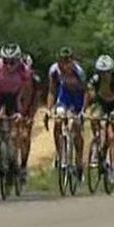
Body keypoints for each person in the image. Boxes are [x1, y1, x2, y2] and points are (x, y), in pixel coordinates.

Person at [45, 46, 87, 178]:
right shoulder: (54, 70)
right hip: (64, 97)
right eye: (62, 61)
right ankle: (60, 155)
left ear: (72, 61)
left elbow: (86, 92)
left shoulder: (79, 72)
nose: (65, 64)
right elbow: (52, 91)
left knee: (76, 127)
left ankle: (79, 162)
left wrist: (83, 111)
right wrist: (49, 109)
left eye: (68, 61)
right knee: (58, 121)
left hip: (78, 98)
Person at [84, 55, 114, 179]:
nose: (104, 75)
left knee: (113, 137)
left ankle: (113, 167)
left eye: (107, 72)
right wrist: (85, 110)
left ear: (111, 71)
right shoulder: (95, 80)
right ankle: (98, 140)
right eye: (101, 73)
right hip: (101, 103)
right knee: (95, 117)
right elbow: (89, 96)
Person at [17, 53, 42, 181]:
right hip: (14, 107)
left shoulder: (35, 80)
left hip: (28, 108)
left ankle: (23, 166)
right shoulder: (14, 77)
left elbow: (36, 100)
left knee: (25, 136)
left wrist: (30, 116)